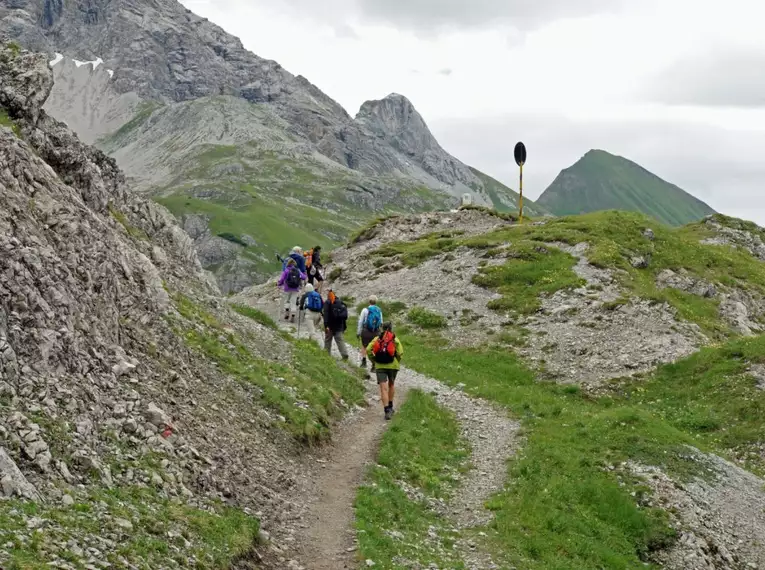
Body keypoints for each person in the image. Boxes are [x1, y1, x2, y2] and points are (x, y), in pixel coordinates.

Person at [367, 322, 403, 420]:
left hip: (380, 366)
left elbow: (368, 349)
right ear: (391, 328)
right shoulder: (394, 338)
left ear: (382, 328)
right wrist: (397, 361)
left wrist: (374, 361)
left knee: (383, 388)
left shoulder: (377, 338)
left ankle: (386, 410)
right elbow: (400, 352)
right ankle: (391, 406)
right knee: (391, 385)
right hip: (393, 366)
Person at [357, 296, 383, 371]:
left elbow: (361, 322)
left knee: (364, 346)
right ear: (376, 302)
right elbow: (381, 322)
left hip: (366, 331)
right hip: (376, 332)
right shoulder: (379, 310)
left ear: (369, 301)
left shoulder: (365, 310)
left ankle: (364, 362)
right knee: (375, 348)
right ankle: (374, 365)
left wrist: (358, 332)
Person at [323, 290, 349, 360]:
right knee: (340, 340)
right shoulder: (341, 302)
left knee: (328, 339)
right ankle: (344, 354)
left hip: (330, 325)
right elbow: (345, 316)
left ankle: (326, 354)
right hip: (339, 325)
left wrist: (326, 325)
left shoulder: (327, 302)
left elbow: (326, 315)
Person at [277, 258, 306, 322]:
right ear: (294, 264)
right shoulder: (297, 270)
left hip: (287, 288)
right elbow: (304, 277)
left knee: (287, 301)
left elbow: (282, 279)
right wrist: (304, 274)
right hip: (295, 289)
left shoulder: (286, 270)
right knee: (293, 302)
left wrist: (279, 284)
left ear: (288, 263)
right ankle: (293, 315)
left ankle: (287, 312)